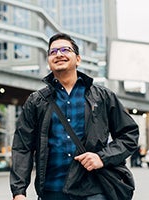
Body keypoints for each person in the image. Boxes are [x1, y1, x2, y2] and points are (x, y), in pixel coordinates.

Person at [10, 33, 139, 200]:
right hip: (52, 191)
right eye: (53, 52)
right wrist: (19, 191)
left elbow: (129, 134)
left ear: (78, 59)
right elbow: (22, 147)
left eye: (65, 50)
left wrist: (102, 157)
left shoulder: (102, 96)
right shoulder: (37, 101)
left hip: (94, 190)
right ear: (49, 62)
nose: (59, 54)